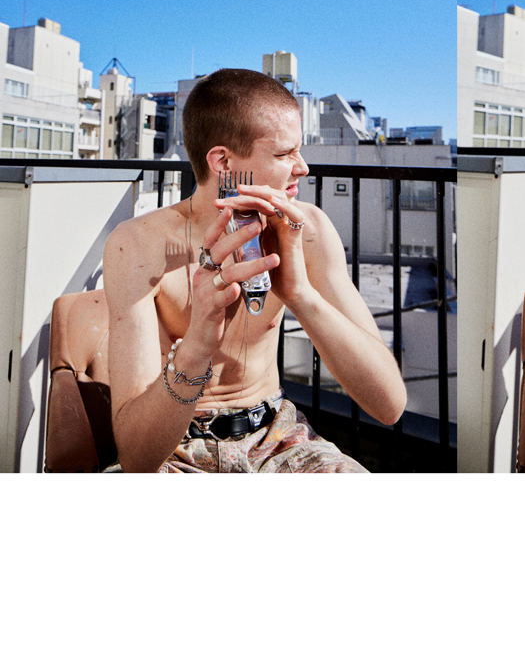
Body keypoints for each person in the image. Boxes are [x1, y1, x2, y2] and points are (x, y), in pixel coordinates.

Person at [103, 68, 406, 472]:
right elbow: (136, 458)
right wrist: (196, 345)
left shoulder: (305, 230)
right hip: (176, 447)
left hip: (277, 436)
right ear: (224, 161)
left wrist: (301, 295)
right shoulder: (139, 244)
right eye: (284, 154)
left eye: (299, 151)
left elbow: (389, 405)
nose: (303, 168)